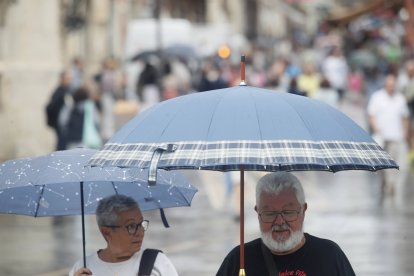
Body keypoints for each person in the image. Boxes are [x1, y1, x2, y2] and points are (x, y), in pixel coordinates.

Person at [216, 172, 356, 276]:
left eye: (288, 212)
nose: (279, 222)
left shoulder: (329, 255)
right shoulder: (238, 260)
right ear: (257, 212)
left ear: (303, 210)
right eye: (270, 214)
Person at [69, 194, 178, 276]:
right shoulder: (82, 268)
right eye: (131, 226)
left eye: (141, 224)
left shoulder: (157, 263)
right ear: (106, 232)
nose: (140, 232)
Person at [367, 73, 409, 198]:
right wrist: (375, 127)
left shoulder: (400, 98)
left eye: (393, 85)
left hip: (395, 136)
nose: (391, 87)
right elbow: (371, 114)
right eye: (389, 85)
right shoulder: (377, 97)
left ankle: (391, 184)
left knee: (392, 162)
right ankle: (383, 181)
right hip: (381, 136)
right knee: (381, 163)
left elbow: (405, 117)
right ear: (385, 85)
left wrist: (405, 131)